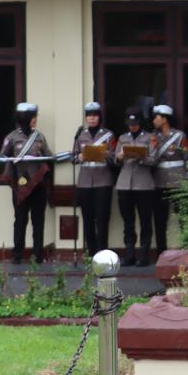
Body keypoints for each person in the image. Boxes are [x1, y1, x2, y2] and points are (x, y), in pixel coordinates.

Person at [0, 102, 51, 264]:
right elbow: (2, 157)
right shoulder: (12, 137)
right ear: (25, 119)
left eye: (35, 117)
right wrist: (15, 159)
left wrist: (46, 158)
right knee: (20, 220)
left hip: (38, 184)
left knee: (38, 221)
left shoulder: (39, 136)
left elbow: (48, 155)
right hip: (20, 184)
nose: (35, 120)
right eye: (32, 117)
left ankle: (37, 255)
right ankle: (17, 254)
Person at [71, 101, 116, 258]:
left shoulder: (108, 135)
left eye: (95, 115)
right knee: (88, 219)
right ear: (86, 118)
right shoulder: (80, 135)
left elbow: (115, 157)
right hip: (85, 182)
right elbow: (73, 156)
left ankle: (102, 252)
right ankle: (91, 252)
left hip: (103, 180)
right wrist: (79, 157)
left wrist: (106, 154)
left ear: (99, 117)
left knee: (102, 219)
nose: (92, 118)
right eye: (89, 116)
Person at [146, 103, 188, 259]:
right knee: (160, 220)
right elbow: (150, 159)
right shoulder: (153, 137)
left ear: (164, 119)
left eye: (156, 118)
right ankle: (161, 252)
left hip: (179, 181)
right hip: (160, 182)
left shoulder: (180, 136)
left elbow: (187, 158)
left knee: (184, 217)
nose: (154, 121)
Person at [115, 108, 155, 267]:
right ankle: (129, 254)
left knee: (145, 221)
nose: (132, 126)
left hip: (143, 184)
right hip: (124, 183)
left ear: (140, 123)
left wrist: (142, 157)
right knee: (128, 222)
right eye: (130, 124)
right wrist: (119, 157)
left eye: (135, 123)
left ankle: (143, 255)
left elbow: (154, 160)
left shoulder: (149, 137)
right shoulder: (122, 138)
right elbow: (115, 159)